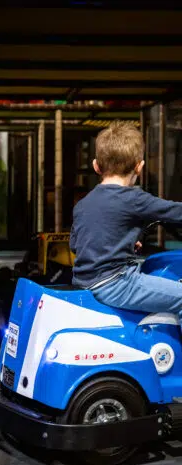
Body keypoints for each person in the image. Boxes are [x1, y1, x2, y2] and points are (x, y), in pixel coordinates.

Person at [70, 120, 182, 321]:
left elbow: (76, 245)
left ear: (96, 166)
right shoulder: (134, 199)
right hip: (115, 283)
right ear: (139, 167)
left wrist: (121, 242)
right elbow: (175, 212)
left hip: (84, 282)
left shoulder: (83, 204)